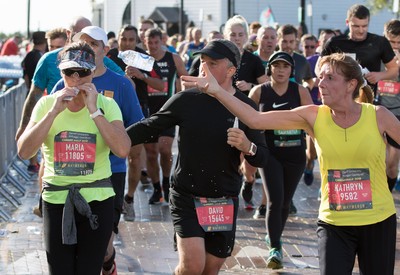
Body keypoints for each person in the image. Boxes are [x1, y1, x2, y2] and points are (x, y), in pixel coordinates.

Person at [184, 52, 398, 275]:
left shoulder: (378, 115)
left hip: (378, 221)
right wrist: (217, 91)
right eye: (320, 77)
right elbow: (255, 119)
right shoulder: (314, 116)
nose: (321, 84)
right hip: (334, 223)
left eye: (330, 78)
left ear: (351, 84)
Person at [126, 39, 268, 275]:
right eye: (202, 62)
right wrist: (112, 139)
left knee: (210, 269)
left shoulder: (244, 106)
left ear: (231, 70)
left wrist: (247, 146)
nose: (204, 68)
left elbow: (262, 158)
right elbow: (149, 126)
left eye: (213, 63)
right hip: (187, 194)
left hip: (224, 196)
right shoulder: (187, 99)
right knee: (192, 266)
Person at [17, 41, 131, 275]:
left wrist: (94, 111)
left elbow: (122, 149)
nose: (77, 79)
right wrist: (53, 112)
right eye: (70, 72)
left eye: (83, 72)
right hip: (57, 199)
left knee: (88, 270)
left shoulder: (106, 105)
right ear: (61, 73)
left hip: (97, 199)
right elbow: (24, 151)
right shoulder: (47, 104)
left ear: (93, 73)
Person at [51, 26, 144, 275]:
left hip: (109, 172)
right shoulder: (63, 82)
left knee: (102, 246)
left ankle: (107, 262)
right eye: (83, 43)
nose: (87, 49)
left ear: (104, 50)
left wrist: (132, 156)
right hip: (69, 176)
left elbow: (135, 128)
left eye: (93, 44)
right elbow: (49, 134)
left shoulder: (121, 85)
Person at [249, 51, 313, 269]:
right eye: (277, 66)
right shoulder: (259, 91)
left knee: (286, 201)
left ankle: (274, 235)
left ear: (291, 70)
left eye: (285, 66)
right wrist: (247, 153)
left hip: (296, 154)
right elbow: (246, 121)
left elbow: (313, 123)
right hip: (271, 154)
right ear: (270, 69)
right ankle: (275, 248)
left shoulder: (301, 91)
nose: (281, 70)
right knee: (275, 199)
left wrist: (313, 154)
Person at [107, 24, 164, 221]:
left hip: (136, 111)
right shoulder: (110, 56)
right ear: (119, 38)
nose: (127, 43)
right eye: (124, 39)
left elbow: (161, 84)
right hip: (110, 112)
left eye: (131, 40)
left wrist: (142, 76)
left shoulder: (142, 57)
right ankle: (109, 198)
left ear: (137, 41)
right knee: (109, 156)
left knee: (134, 157)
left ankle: (129, 199)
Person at [224, 15, 268, 210]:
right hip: (225, 109)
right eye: (233, 34)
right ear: (226, 36)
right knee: (230, 150)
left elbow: (267, 84)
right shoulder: (220, 57)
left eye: (240, 34)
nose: (237, 38)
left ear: (246, 36)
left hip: (247, 111)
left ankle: (249, 181)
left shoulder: (253, 59)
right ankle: (230, 189)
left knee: (248, 153)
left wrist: (250, 85)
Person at [140, 28, 187, 204]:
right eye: (149, 42)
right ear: (144, 41)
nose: (153, 46)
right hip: (148, 110)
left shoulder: (173, 58)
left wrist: (185, 98)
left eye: (156, 42)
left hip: (168, 110)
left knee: (165, 149)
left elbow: (186, 78)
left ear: (162, 41)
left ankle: (167, 180)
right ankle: (157, 187)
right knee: (151, 153)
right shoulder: (142, 60)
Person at [321, 4, 398, 96]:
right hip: (338, 96)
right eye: (356, 26)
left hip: (366, 99)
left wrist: (379, 75)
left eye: (364, 26)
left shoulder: (379, 42)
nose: (361, 30)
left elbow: (394, 70)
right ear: (347, 22)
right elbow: (319, 67)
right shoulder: (334, 42)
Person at [381, 19, 400, 191]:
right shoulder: (376, 55)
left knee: (392, 165)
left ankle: (387, 192)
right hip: (376, 112)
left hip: (397, 115)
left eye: (398, 42)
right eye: (391, 42)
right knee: (377, 161)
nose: (394, 46)